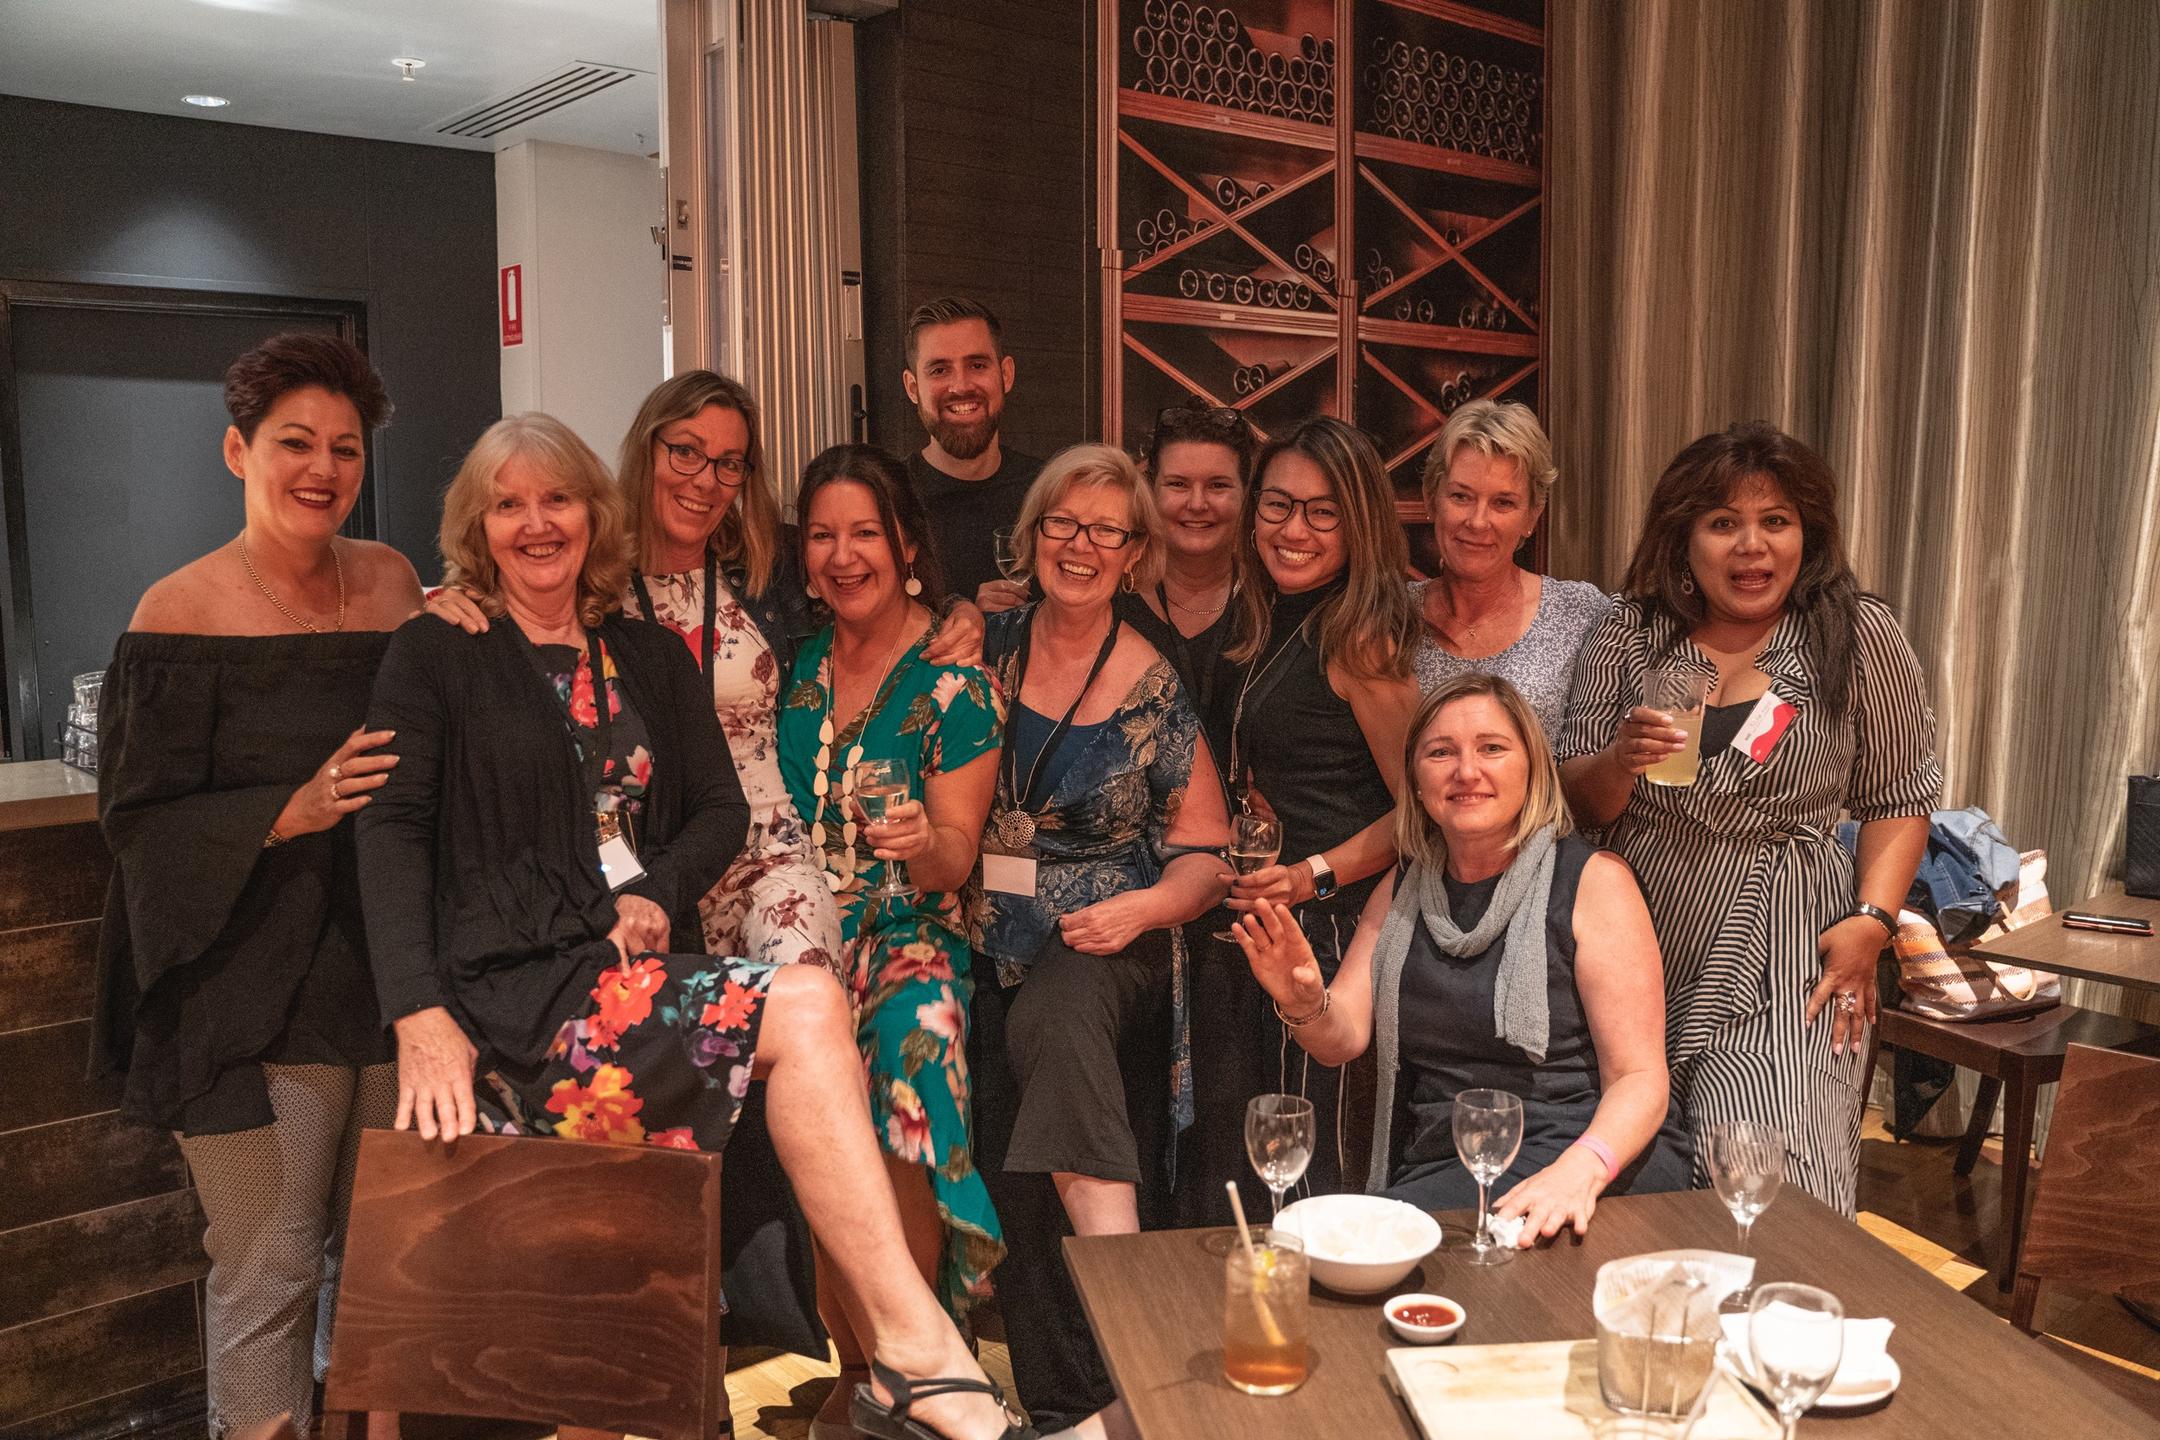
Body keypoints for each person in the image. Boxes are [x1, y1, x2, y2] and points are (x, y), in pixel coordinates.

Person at [356, 415, 1038, 1440]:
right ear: (475, 527)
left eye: (557, 499)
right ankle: (918, 1353)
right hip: (508, 994)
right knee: (806, 1005)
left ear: (596, 514)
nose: (536, 524)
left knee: (810, 1005)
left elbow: (719, 808)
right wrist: (417, 1011)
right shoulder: (438, 647)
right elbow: (390, 831)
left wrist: (654, 886)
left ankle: (903, 1353)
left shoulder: (642, 653)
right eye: (508, 505)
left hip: (616, 975)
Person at [91, 333, 422, 1439]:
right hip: (238, 993)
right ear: (238, 452)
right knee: (268, 1263)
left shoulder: (392, 582)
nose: (322, 468)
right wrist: (291, 808)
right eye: (294, 443)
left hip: (380, 977)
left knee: (382, 1259)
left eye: (345, 448)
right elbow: (136, 824)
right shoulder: (176, 612)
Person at [1557, 422, 1939, 1216]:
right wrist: (1619, 760)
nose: (1751, 546)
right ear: (1683, 536)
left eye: (1775, 521)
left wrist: (1873, 922)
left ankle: (1793, 1299)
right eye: (1723, 522)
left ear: (1808, 534)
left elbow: (1900, 794)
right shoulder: (1630, 633)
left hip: (1789, 939)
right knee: (1640, 1175)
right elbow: (1578, 802)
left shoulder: (1855, 635)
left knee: (1772, 1164)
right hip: (1642, 929)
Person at [1235, 674, 1692, 1236]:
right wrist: (1302, 1000)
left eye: (1492, 748)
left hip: (1586, 1157)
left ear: (1534, 768)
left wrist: (1580, 1170)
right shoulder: (1402, 888)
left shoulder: (1594, 881)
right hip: (1451, 1163)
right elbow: (1342, 1040)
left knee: (1346, 1245)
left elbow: (1640, 1078)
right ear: (1416, 781)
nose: (1466, 771)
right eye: (1441, 753)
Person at [973, 445, 1231, 1426]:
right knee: (1012, 1168)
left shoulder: (1152, 683)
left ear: (1134, 554)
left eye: (1106, 531)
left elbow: (1205, 853)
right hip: (988, 938)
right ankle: (1066, 1411)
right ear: (1033, 533)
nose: (1080, 546)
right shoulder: (985, 643)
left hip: (1106, 940)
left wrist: (1142, 909)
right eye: (1063, 524)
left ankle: (1134, 1327)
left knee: (1061, 1020)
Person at [775, 444, 1006, 1438]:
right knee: (817, 1125)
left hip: (912, 931)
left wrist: (920, 843)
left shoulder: (957, 685)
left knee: (907, 1070)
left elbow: (957, 858)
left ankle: (922, 1357)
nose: (843, 555)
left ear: (906, 544)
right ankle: (860, 1365)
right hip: (804, 936)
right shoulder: (793, 667)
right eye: (823, 536)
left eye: (865, 533)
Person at [1217, 416, 1423, 1202]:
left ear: (1358, 522)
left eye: (1322, 512)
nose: (1293, 529)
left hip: (1334, 936)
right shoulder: (1270, 614)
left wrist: (1312, 874)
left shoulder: (1361, 638)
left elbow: (1422, 812)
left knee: (1310, 1172)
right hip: (1274, 923)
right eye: (1277, 505)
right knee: (1265, 1163)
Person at [1409, 400, 1611, 734]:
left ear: (1532, 515)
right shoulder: (1390, 618)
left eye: (1503, 503)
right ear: (1431, 498)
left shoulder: (1580, 613)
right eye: (1461, 497)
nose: (1478, 521)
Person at [1113, 399, 1256, 769]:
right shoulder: (1109, 597)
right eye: (1177, 484)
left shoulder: (1268, 603)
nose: (1197, 503)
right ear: (1151, 490)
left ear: (1246, 494)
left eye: (1218, 485)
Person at [901, 296, 1042, 609]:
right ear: (913, 388)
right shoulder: (891, 499)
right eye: (939, 370)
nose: (960, 386)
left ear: (1006, 375)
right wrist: (963, 617)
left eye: (977, 365)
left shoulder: (1049, 490)